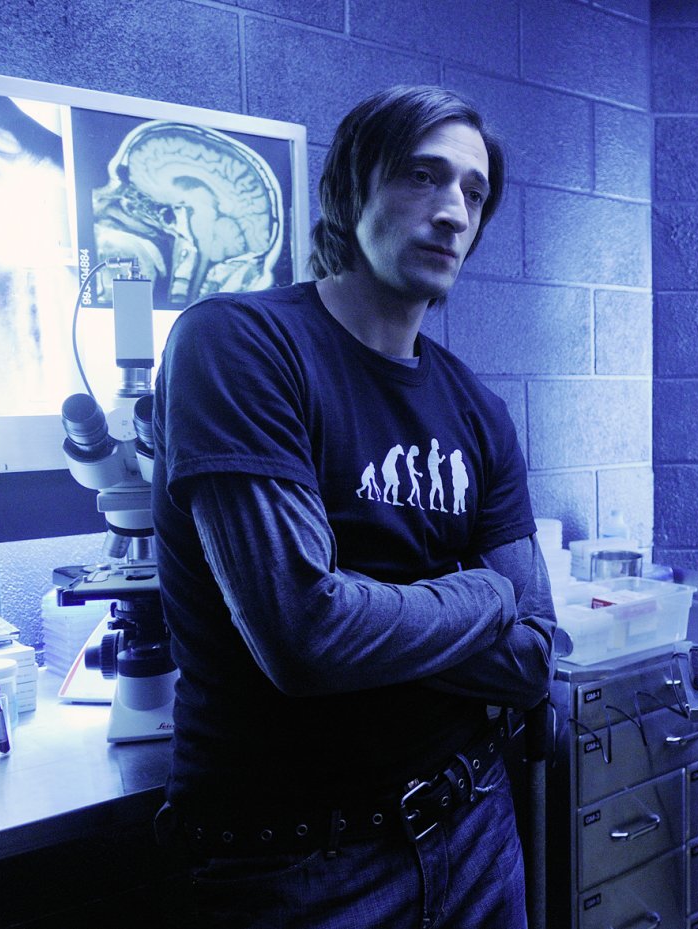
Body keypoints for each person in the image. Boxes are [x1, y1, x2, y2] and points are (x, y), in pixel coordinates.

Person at [151, 85, 557, 928]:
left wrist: (362, 603)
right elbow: (307, 635)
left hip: (477, 831)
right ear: (349, 190)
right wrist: (482, 591)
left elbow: (533, 658)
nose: (453, 212)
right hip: (298, 865)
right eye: (422, 175)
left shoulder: (479, 410)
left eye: (474, 192)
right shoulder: (239, 345)